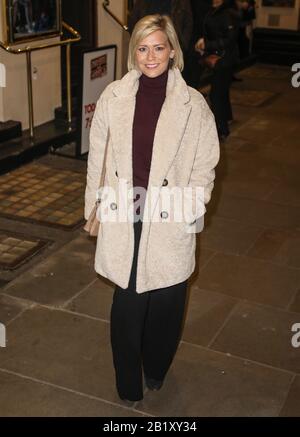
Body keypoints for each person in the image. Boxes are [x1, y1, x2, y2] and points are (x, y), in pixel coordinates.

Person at [84, 14, 220, 402]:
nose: (150, 56)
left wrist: (191, 205)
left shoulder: (193, 106)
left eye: (158, 47)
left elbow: (205, 163)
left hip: (169, 214)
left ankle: (157, 367)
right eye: (142, 48)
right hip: (124, 211)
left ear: (173, 51)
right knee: (127, 307)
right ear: (134, 53)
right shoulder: (114, 97)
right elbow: (98, 155)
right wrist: (95, 201)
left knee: (166, 305)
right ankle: (127, 385)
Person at [195, 0, 240, 141]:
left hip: (224, 60)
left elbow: (229, 40)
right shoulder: (214, 9)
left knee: (216, 94)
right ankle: (226, 119)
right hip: (220, 58)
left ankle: (221, 129)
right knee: (222, 92)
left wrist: (206, 44)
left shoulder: (227, 13)